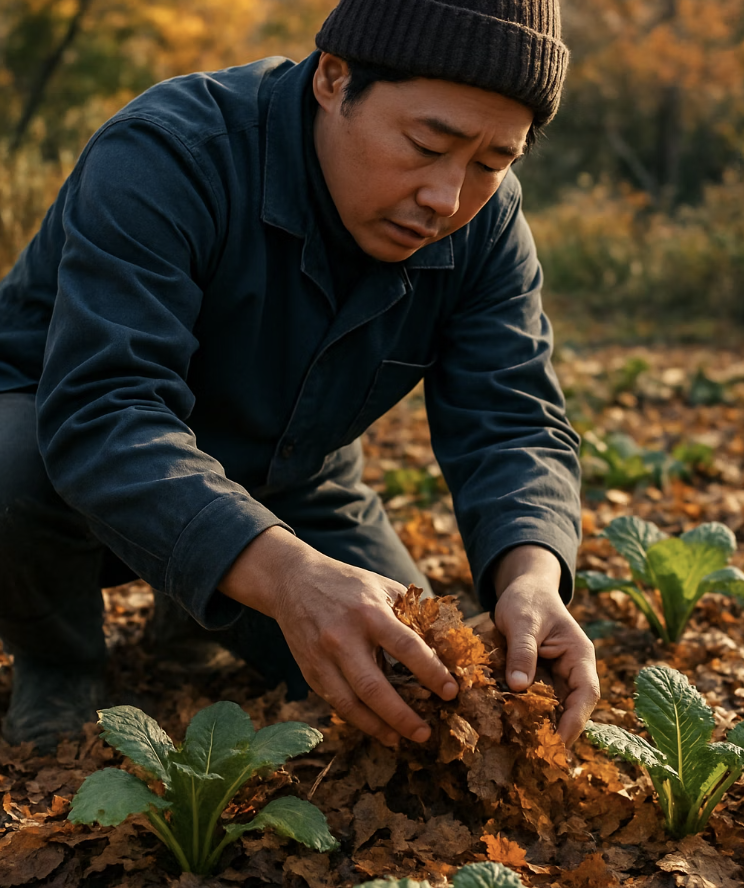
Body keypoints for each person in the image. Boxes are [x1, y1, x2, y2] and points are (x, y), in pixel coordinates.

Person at [0, 0, 599, 755]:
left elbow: (512, 417)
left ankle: (194, 599)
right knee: (8, 465)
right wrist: (286, 577)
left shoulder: (487, 225)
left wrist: (533, 575)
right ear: (333, 78)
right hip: (59, 449)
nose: (446, 199)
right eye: (426, 144)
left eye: (490, 162)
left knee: (406, 682)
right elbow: (104, 411)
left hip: (289, 478)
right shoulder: (169, 152)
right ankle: (58, 661)